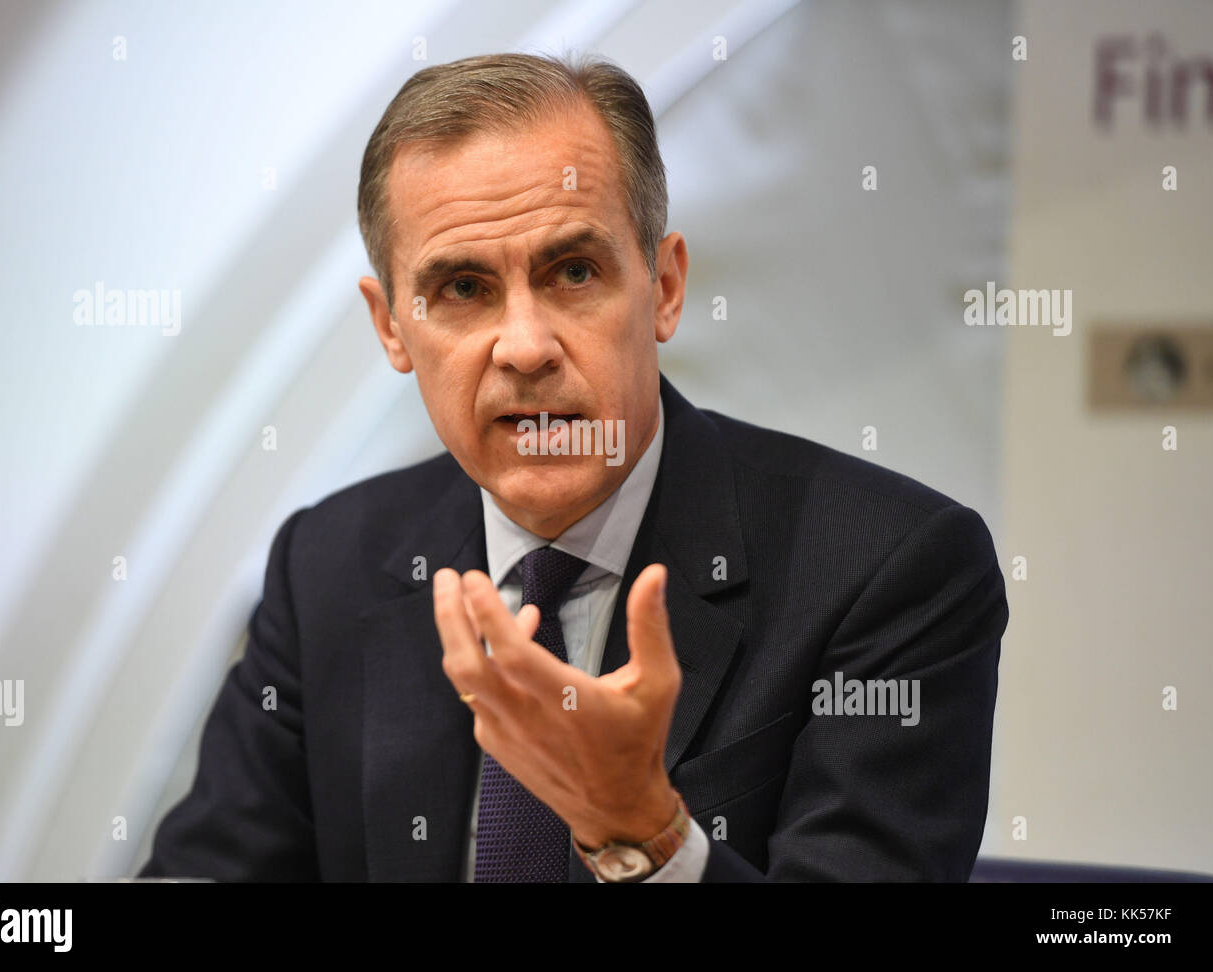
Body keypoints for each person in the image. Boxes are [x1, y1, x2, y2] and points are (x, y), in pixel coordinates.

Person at [140, 52, 1008, 883]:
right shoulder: (327, 563)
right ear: (392, 328)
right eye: (463, 290)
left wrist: (640, 829)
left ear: (663, 287)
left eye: (573, 271)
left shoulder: (892, 571)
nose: (523, 347)